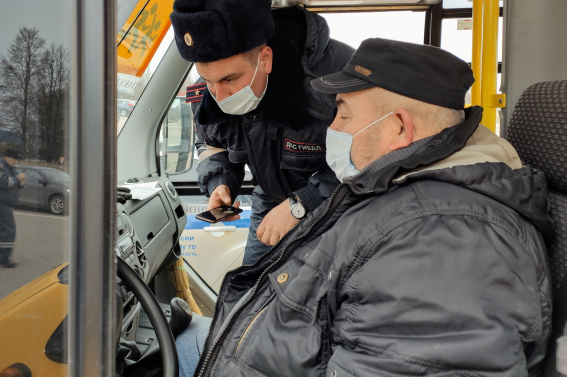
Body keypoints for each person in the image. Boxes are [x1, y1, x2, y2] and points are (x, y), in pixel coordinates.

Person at [175, 38, 553, 377]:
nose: (331, 129)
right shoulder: (399, 191)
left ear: (399, 129)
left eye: (343, 114)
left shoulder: (445, 242)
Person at [170, 0, 353, 264]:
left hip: (338, 206)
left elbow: (368, 160)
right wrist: (221, 183)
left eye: (230, 80)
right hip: (268, 201)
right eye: (208, 80)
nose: (218, 95)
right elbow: (211, 144)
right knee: (250, 290)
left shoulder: (339, 78)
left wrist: (301, 203)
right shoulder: (208, 90)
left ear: (265, 59)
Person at [0, 148, 26, 268]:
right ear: (7, 157)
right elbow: (3, 183)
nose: (15, 162)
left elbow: (14, 185)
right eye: (14, 159)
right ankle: (4, 259)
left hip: (4, 204)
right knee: (8, 230)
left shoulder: (11, 169)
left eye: (16, 159)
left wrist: (21, 183)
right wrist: (17, 179)